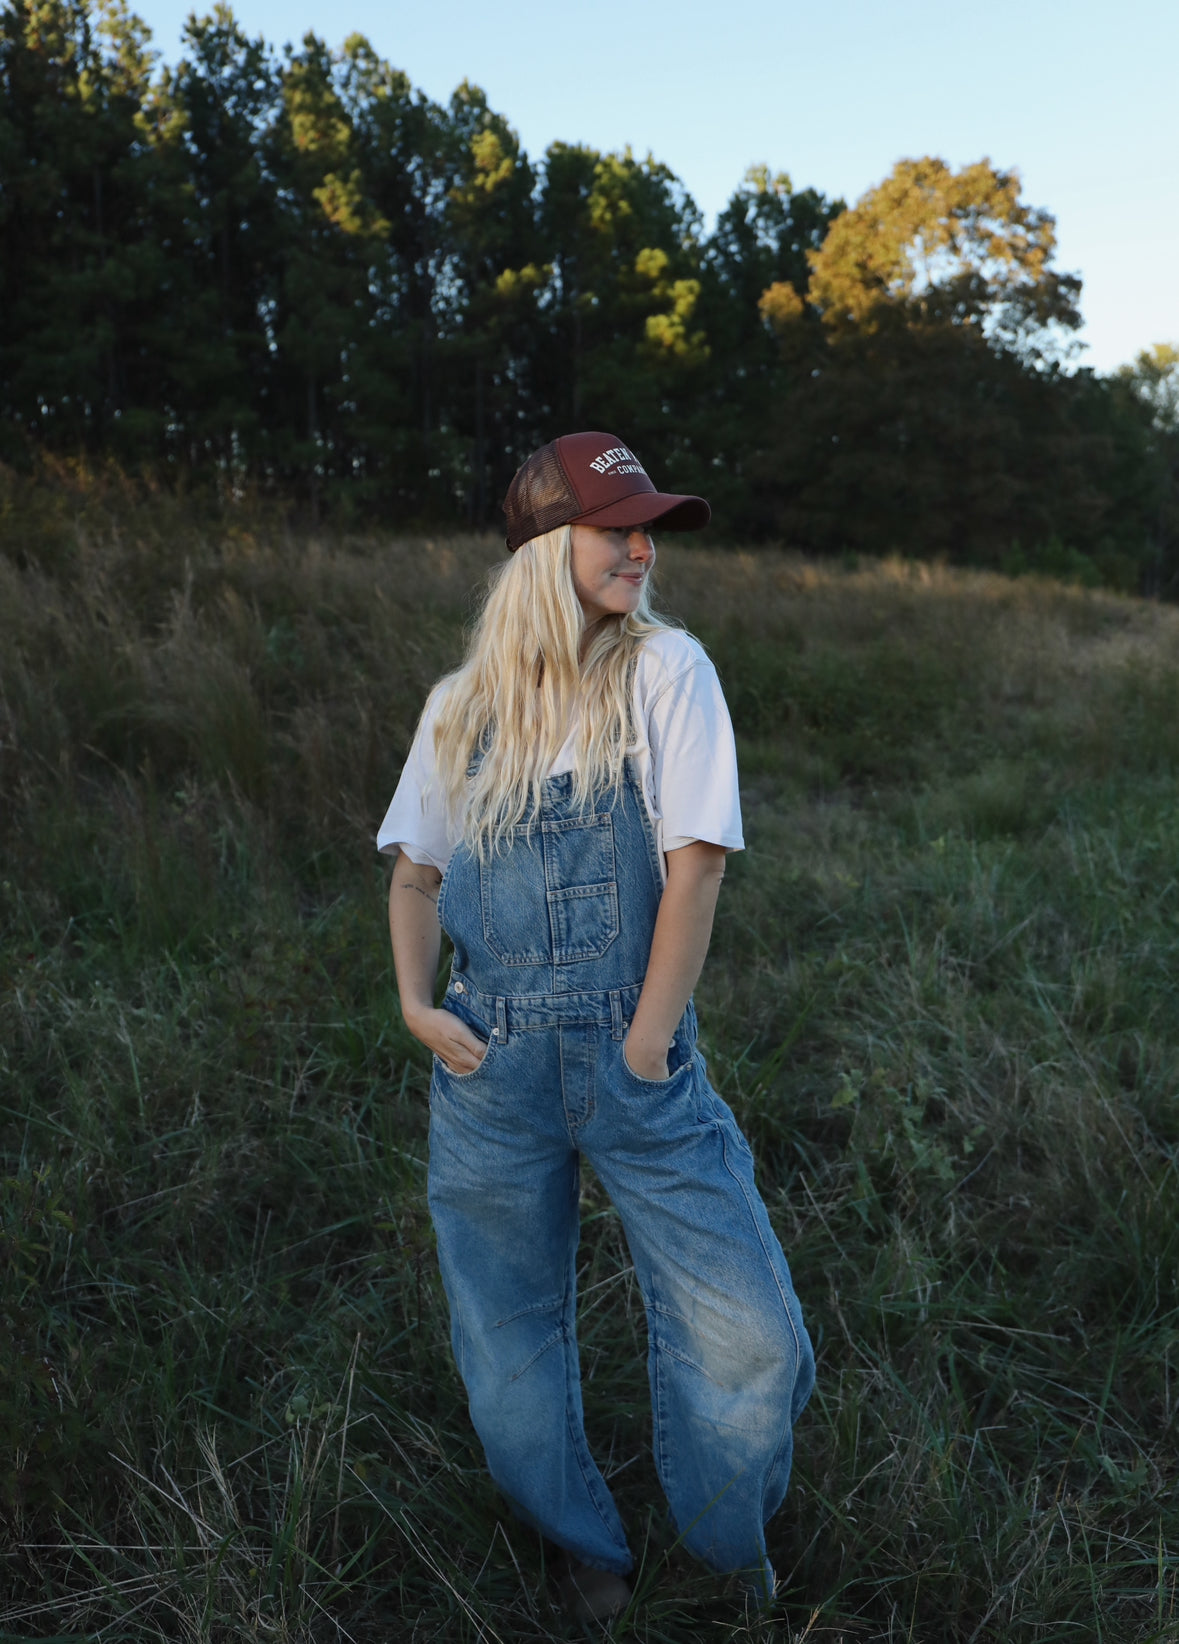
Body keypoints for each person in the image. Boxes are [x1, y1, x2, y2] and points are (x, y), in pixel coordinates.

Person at [379, 431, 814, 1623]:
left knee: (749, 1338)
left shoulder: (664, 672)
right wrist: (419, 1006)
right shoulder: (459, 711)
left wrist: (645, 1041)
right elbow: (414, 876)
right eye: (616, 526)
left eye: (648, 527)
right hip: (486, 1065)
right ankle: (583, 1545)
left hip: (638, 1057)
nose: (641, 547)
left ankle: (727, 1553)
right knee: (506, 1338)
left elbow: (697, 867)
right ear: (539, 550)